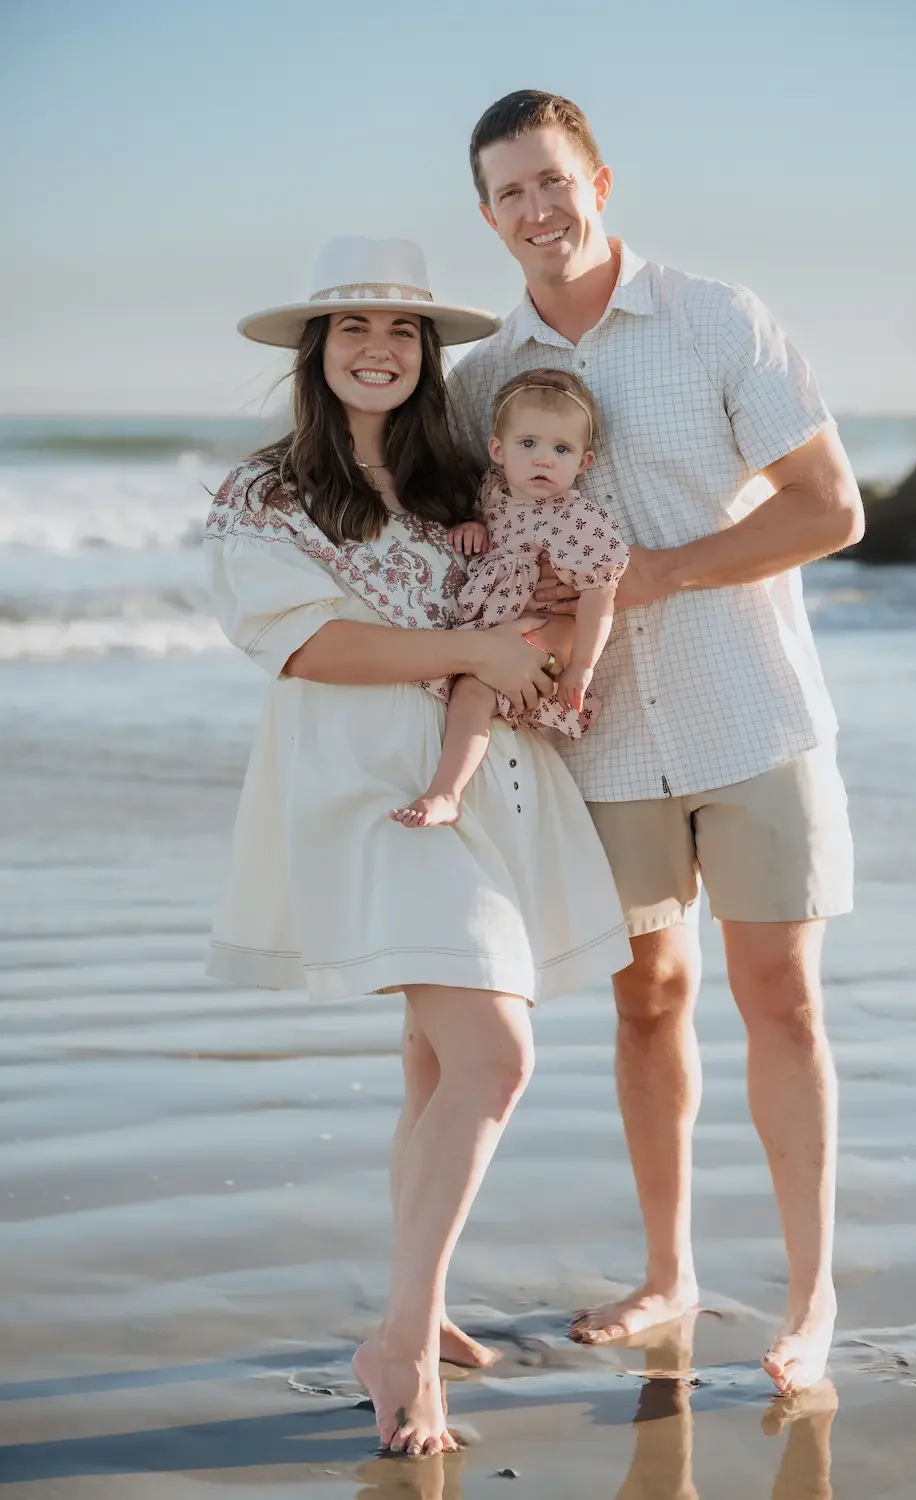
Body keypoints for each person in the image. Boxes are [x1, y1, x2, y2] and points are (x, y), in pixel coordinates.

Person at [448, 91, 865, 1395]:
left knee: (781, 1002)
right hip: (604, 744)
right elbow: (463, 554)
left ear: (601, 181)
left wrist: (657, 576)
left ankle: (810, 1302)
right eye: (510, 192)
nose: (537, 210)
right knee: (647, 1000)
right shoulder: (477, 383)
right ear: (486, 214)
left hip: (754, 715)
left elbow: (830, 508)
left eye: (554, 182)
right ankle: (669, 1272)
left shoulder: (714, 319)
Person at [203, 234, 632, 1455]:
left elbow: (548, 585)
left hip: (479, 774)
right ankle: (395, 1338)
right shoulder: (269, 492)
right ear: (315, 349)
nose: (379, 349)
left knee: (437, 1063)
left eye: (402, 331)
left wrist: (539, 644)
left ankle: (422, 1304)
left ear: (430, 353)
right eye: (352, 328)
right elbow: (298, 646)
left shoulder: (467, 479)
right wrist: (474, 655)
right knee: (495, 1051)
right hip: (361, 791)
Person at [392, 368, 627, 829]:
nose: (543, 460)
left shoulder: (578, 519)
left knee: (473, 691)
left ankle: (446, 792)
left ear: (583, 462)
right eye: (528, 444)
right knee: (461, 691)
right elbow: (487, 521)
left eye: (561, 449)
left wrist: (582, 665)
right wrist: (472, 524)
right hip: (487, 627)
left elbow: (602, 595)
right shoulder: (492, 490)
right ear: (497, 451)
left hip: (534, 631)